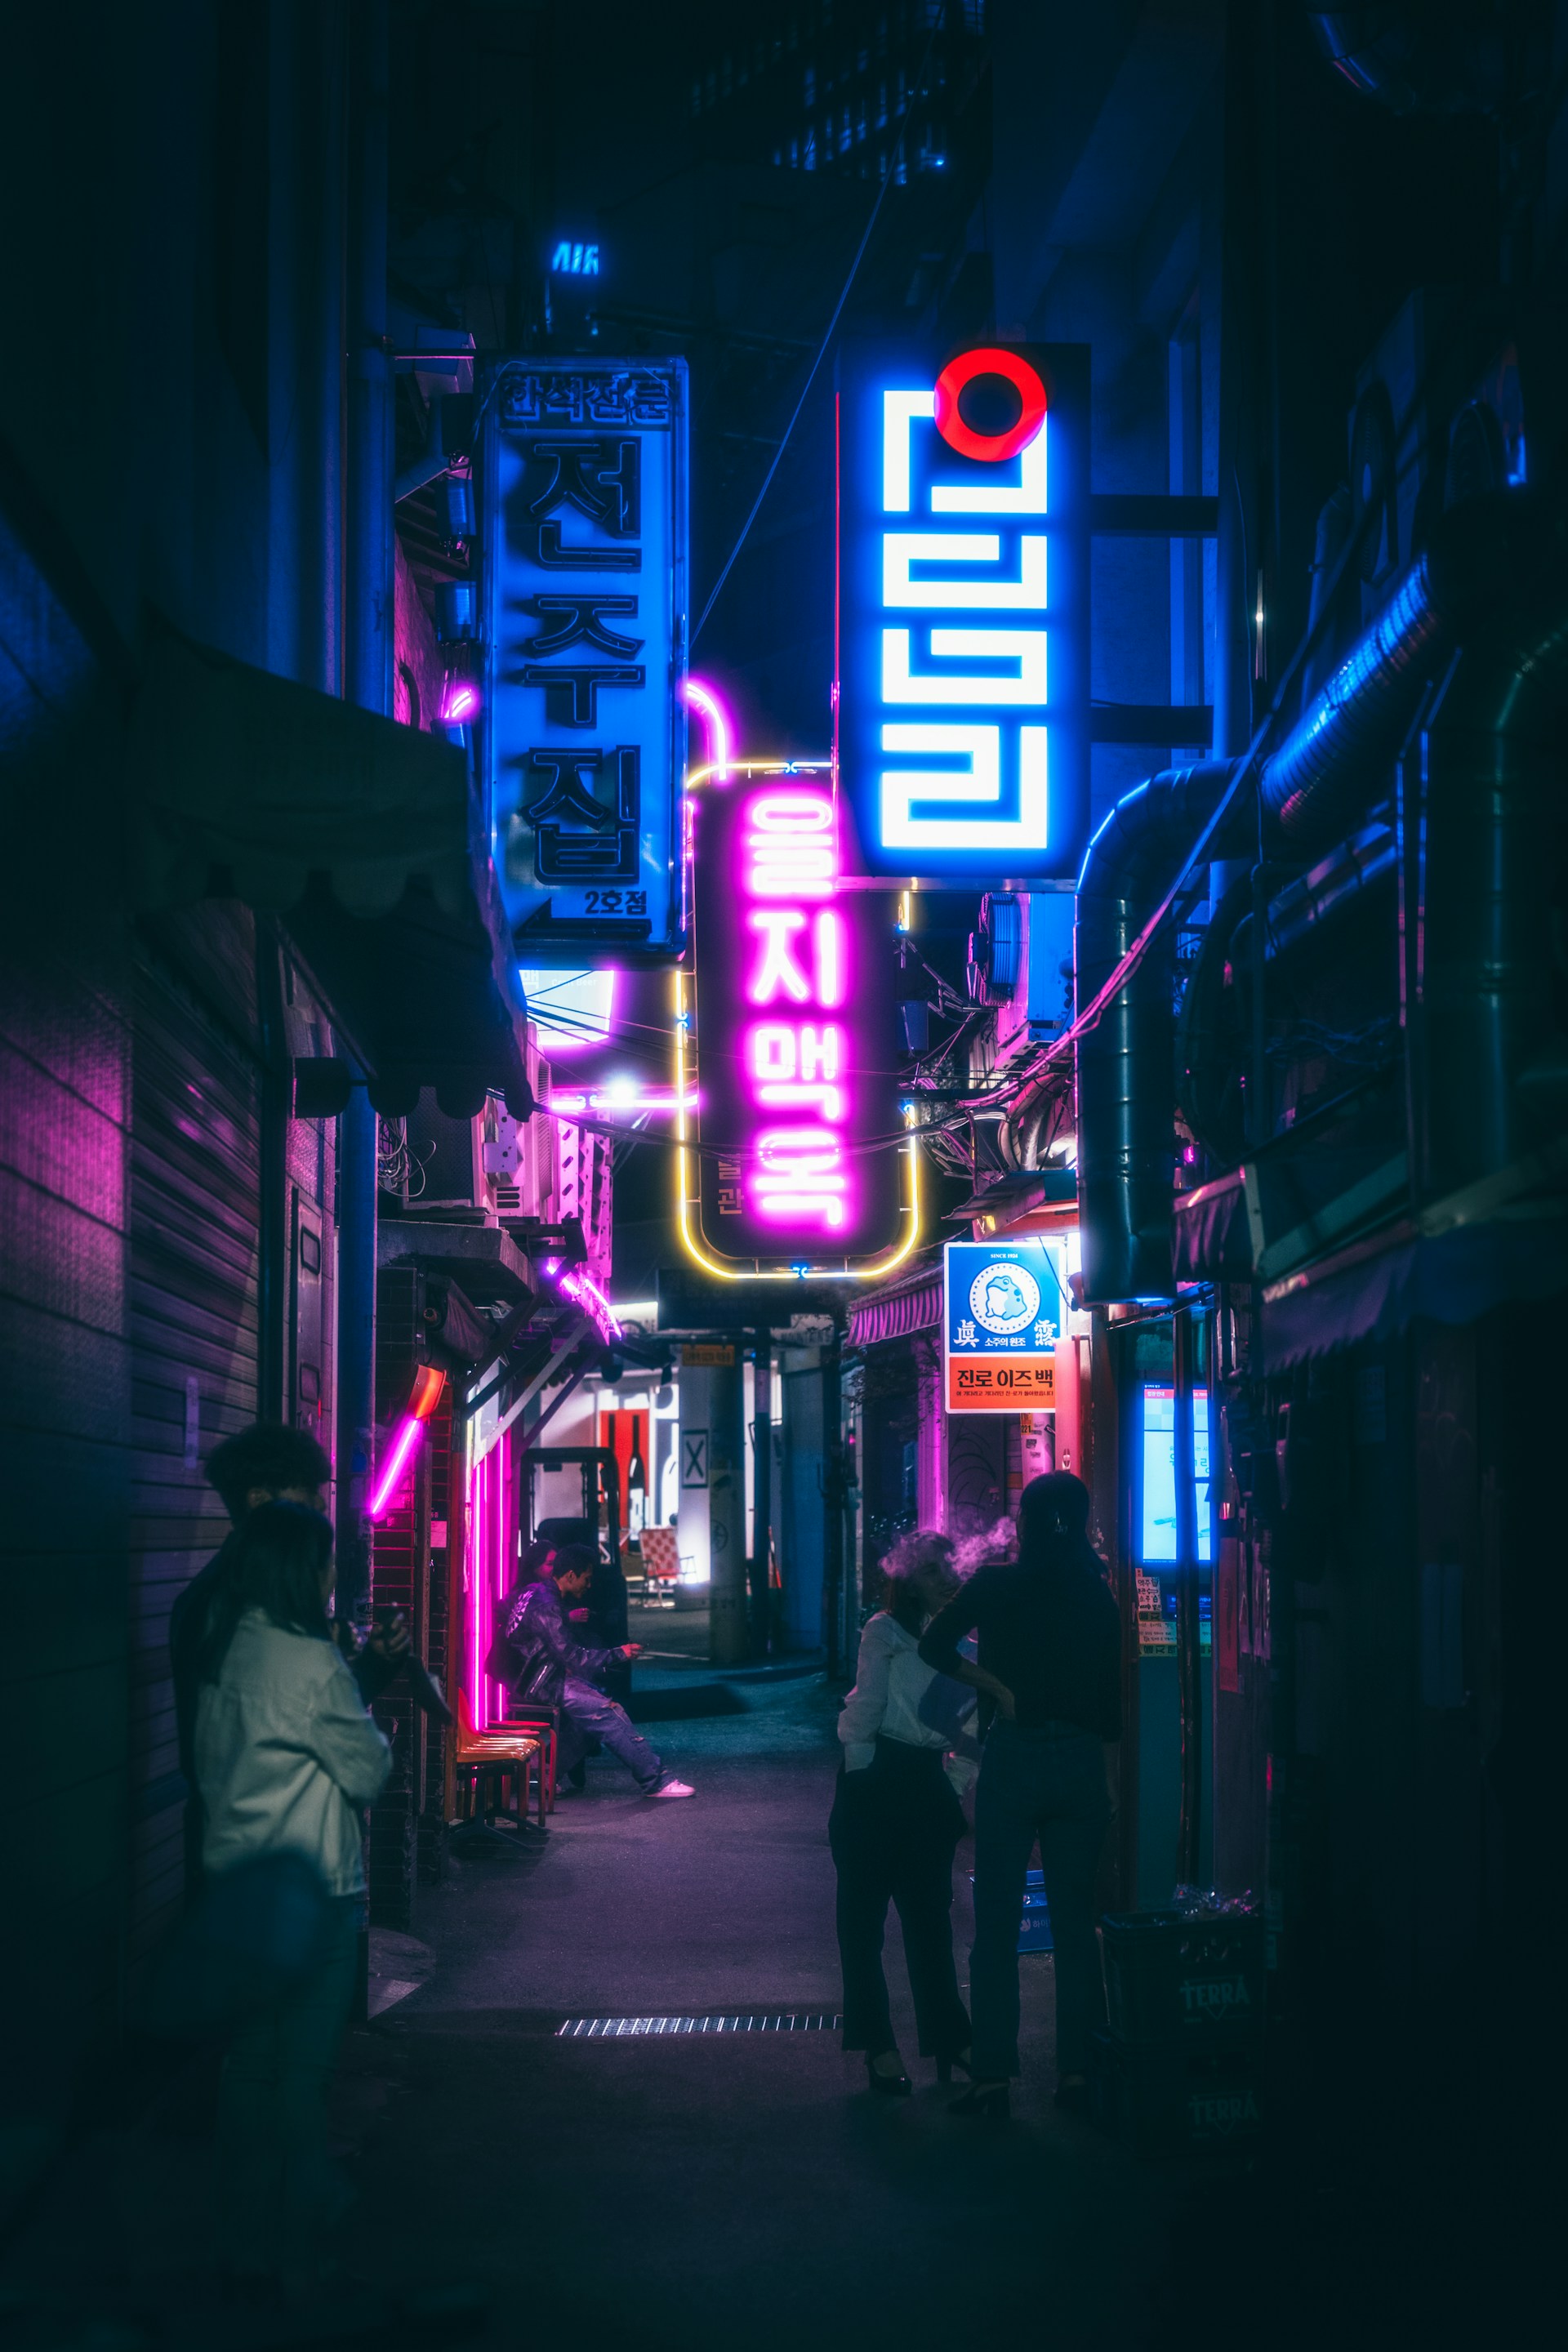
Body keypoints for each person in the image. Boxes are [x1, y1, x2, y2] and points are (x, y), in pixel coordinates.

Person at [194, 1501, 392, 2295]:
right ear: (300, 1573)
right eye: (325, 1563)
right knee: (302, 2079)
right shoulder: (310, 1665)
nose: (331, 1577)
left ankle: (243, 2240)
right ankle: (301, 2250)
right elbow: (368, 1770)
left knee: (248, 2071)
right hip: (313, 1894)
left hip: (236, 1892)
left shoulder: (223, 1650)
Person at [919, 1472, 1120, 2122]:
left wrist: (997, 1688)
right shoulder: (1097, 1592)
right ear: (1083, 1521)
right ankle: (1078, 2075)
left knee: (997, 1922)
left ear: (1026, 1522)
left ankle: (993, 2081)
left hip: (1016, 1757)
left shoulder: (998, 1584)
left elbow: (934, 1645)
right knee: (1074, 1925)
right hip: (1081, 1761)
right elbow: (1112, 1705)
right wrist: (1102, 1766)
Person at [170, 1426, 410, 1890]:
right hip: (277, 1869)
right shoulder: (230, 1606)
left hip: (248, 1860)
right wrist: (339, 1665)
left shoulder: (244, 1597)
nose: (321, 1504)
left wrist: (367, 1666)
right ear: (261, 1500)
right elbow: (342, 1752)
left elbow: (295, 1714)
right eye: (308, 1491)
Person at [831, 1533, 975, 2096]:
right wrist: (862, 1772)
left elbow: (973, 1729)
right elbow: (864, 1708)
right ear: (910, 1579)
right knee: (862, 1926)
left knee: (930, 1922)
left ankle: (951, 2037)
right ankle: (879, 2045)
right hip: (877, 1776)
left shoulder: (967, 1644)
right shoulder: (885, 1630)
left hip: (925, 1780)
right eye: (933, 1569)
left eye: (950, 1567)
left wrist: (954, 1783)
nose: (946, 1577)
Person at [501, 1542, 695, 1798]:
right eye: (586, 1578)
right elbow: (572, 1657)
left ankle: (545, 1772)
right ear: (570, 1575)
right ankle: (656, 1780)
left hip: (535, 1677)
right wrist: (619, 1653)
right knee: (608, 1714)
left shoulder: (534, 1592)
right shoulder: (548, 1605)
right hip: (541, 1682)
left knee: (594, 1720)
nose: (589, 1585)